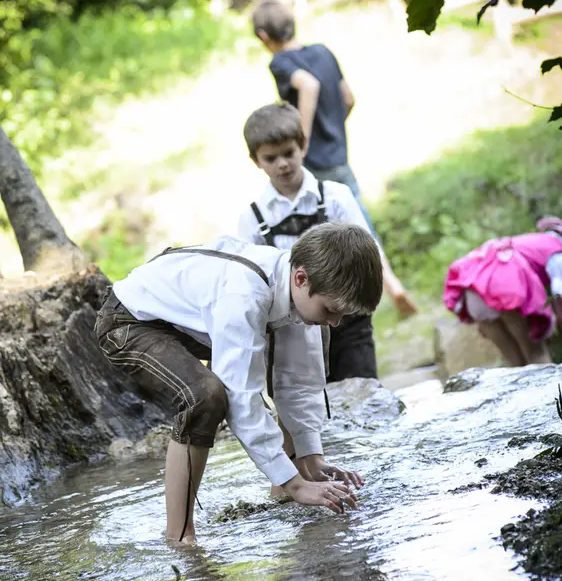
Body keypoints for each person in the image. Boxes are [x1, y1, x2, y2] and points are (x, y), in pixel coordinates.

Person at [94, 222, 383, 544]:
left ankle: (285, 491)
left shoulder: (299, 289)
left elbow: (298, 384)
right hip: (129, 321)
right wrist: (296, 484)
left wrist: (312, 458)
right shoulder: (246, 295)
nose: (335, 322)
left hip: (191, 322)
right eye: (331, 310)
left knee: (298, 351)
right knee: (206, 397)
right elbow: (241, 398)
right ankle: (179, 536)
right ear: (301, 279)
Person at [251, 0, 417, 319]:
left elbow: (308, 85)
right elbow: (348, 98)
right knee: (359, 224)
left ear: (262, 36)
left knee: (319, 235)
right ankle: (391, 284)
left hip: (316, 163)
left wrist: (303, 141)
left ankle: (321, 300)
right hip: (339, 155)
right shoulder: (323, 51)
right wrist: (334, 130)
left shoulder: (280, 62)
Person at [238, 101, 378, 383]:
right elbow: (249, 278)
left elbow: (366, 250)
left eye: (288, 153)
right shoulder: (254, 218)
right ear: (256, 160)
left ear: (303, 144)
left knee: (361, 386)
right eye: (271, 158)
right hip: (295, 328)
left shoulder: (335, 196)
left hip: (347, 319)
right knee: (308, 394)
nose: (282, 164)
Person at [443, 216, 562, 367]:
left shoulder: (533, 241)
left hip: (472, 290)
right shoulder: (557, 252)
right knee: (536, 355)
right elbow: (560, 297)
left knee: (512, 362)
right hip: (505, 289)